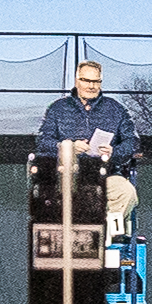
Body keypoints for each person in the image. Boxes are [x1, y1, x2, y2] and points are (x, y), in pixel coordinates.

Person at [33, 60, 144, 224]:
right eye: (86, 80)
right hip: (65, 175)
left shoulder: (116, 109)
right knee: (48, 192)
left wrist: (113, 151)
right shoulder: (57, 109)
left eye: (96, 81)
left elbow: (132, 142)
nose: (91, 86)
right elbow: (42, 141)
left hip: (106, 174)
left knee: (126, 193)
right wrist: (67, 147)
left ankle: (102, 235)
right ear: (77, 81)